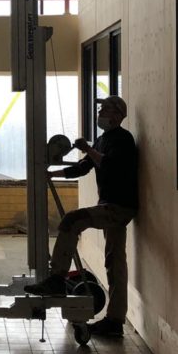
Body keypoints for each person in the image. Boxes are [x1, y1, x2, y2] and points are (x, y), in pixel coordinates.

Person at [24, 96, 138, 338]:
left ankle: (57, 278)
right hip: (110, 205)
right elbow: (83, 167)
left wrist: (88, 149)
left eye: (105, 109)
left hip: (119, 207)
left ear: (118, 115)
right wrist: (53, 174)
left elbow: (110, 165)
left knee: (72, 220)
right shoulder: (103, 139)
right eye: (100, 108)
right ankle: (115, 321)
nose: (100, 112)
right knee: (115, 263)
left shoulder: (123, 139)